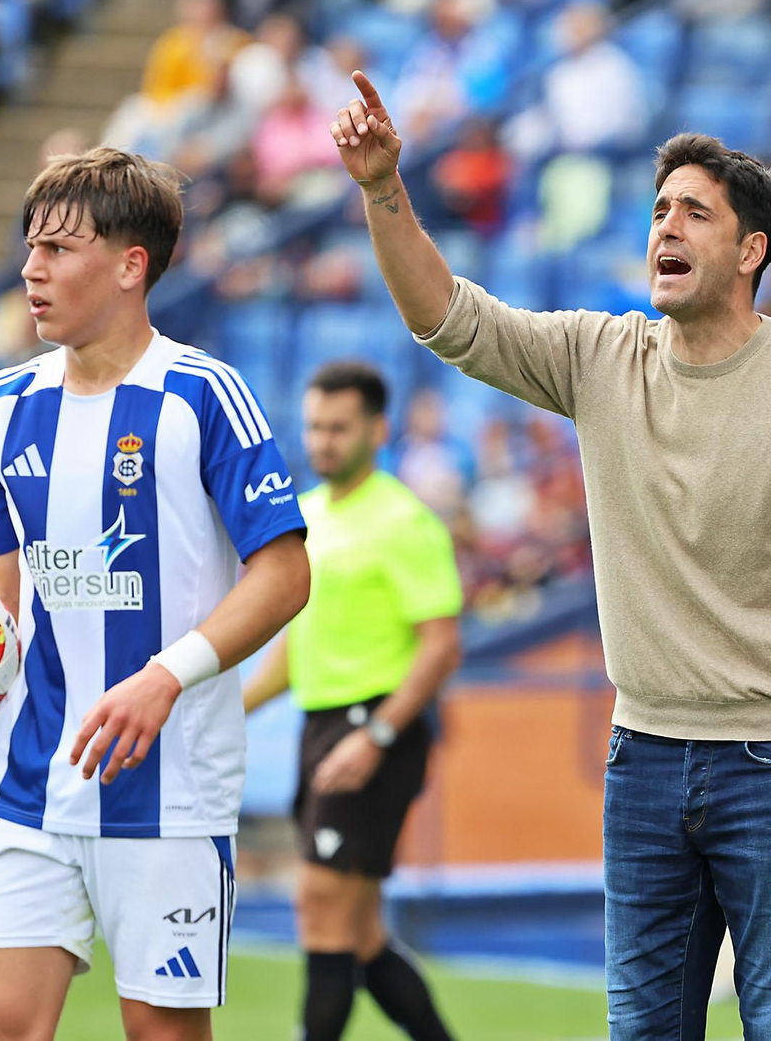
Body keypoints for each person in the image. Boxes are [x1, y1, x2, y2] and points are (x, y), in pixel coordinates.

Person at [329, 71, 771, 1039]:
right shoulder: (599, 356)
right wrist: (382, 190)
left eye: (695, 212)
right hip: (640, 754)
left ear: (750, 250)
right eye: (658, 209)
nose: (666, 227)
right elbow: (444, 316)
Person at [0, 148, 311, 1041]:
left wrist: (165, 675)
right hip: (29, 783)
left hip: (169, 788)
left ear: (130, 264)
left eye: (60, 248)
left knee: (162, 1034)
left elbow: (287, 573)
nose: (32, 268)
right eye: (30, 246)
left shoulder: (203, 397)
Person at [243, 360, 462, 1041]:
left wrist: (377, 736)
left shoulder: (404, 520)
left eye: (339, 427)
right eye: (314, 426)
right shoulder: (306, 515)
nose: (323, 441)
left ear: (377, 429)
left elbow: (440, 645)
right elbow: (297, 644)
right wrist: (228, 705)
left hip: (374, 726)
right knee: (360, 933)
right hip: (321, 724)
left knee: (318, 904)